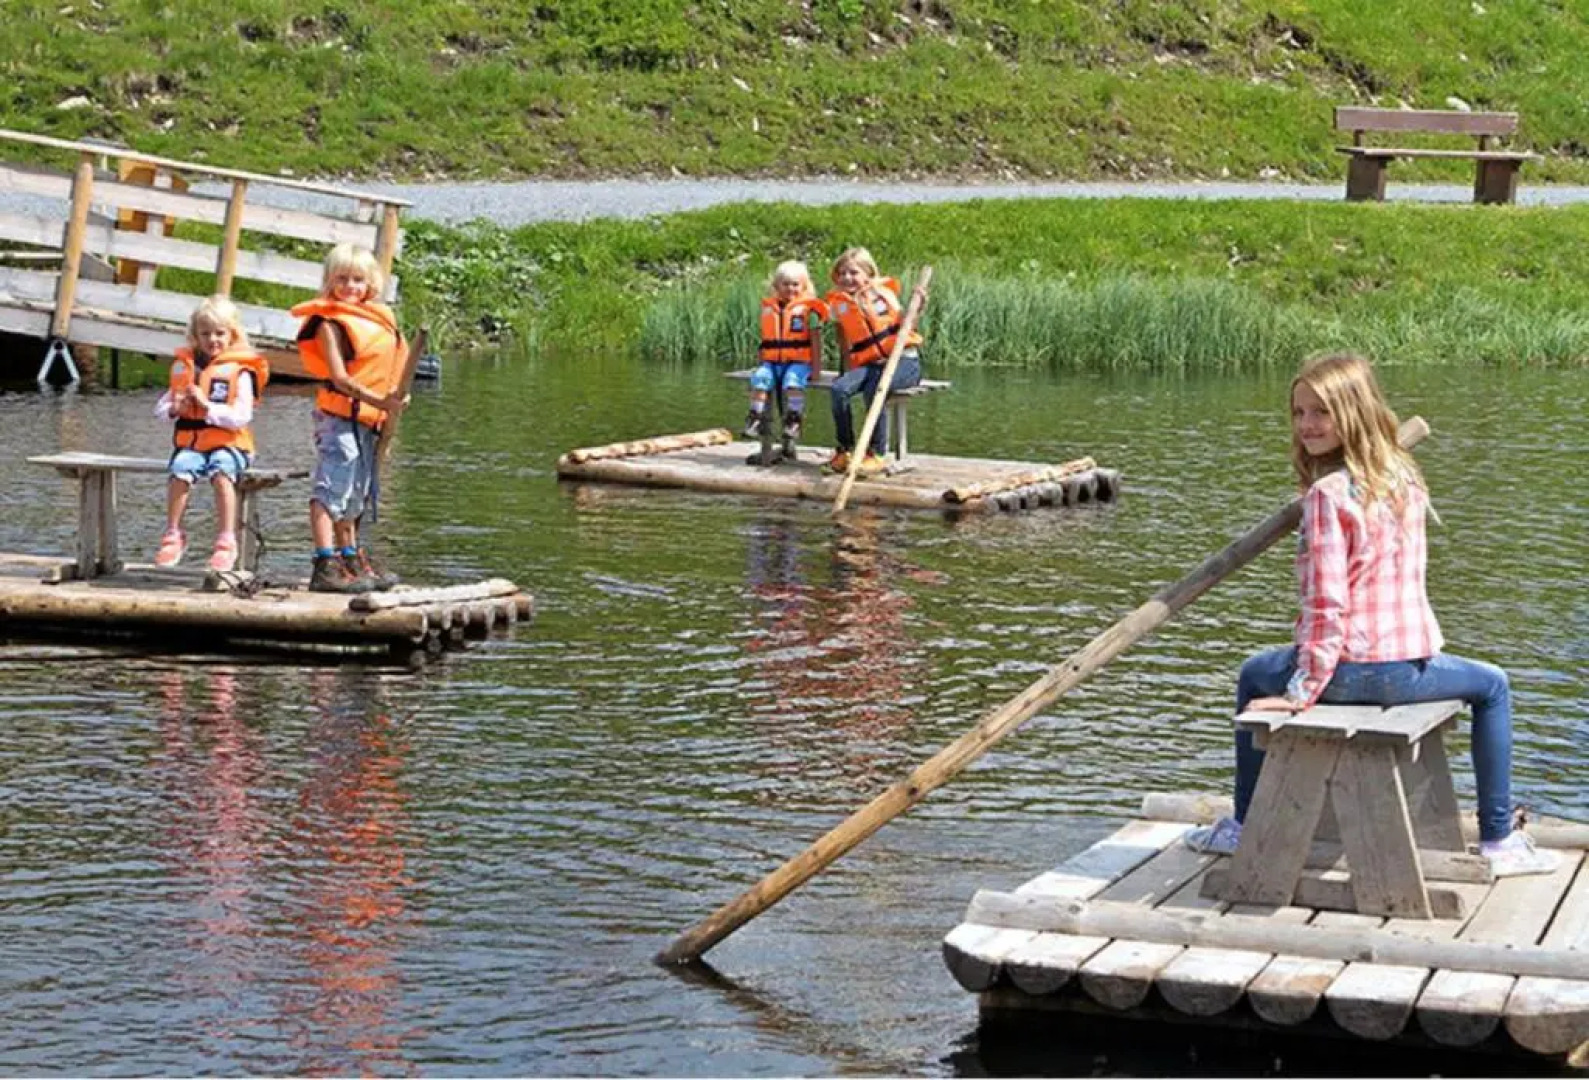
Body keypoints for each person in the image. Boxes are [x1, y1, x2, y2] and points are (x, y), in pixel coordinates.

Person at [1186, 352, 1558, 879]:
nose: (1307, 425)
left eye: (1322, 412)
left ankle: (1245, 827)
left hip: (1351, 671)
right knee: (1493, 686)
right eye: (1299, 413)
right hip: (1409, 669)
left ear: (1354, 412)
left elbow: (1326, 605)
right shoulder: (1404, 478)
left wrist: (1301, 692)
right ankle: (1498, 838)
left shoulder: (1327, 496)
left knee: (1252, 674)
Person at [292, 244, 409, 594]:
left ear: (370, 283)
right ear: (329, 281)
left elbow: (388, 372)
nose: (350, 287)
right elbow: (341, 378)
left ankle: (350, 556)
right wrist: (378, 400)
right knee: (333, 487)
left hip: (368, 420)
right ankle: (324, 562)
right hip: (339, 417)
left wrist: (394, 399)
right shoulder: (330, 323)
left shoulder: (378, 319)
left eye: (358, 279)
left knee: (358, 491)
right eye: (341, 278)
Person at [153, 296, 269, 572]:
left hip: (230, 445)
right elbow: (159, 409)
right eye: (205, 333)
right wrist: (175, 408)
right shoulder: (186, 369)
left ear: (232, 335)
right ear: (195, 336)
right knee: (181, 468)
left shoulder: (239, 373)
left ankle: (226, 539)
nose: (212, 340)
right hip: (193, 446)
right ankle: (173, 533)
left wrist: (207, 408)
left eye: (219, 333)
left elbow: (242, 416)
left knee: (220, 471)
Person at [823, 248, 925, 477]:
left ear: (868, 274)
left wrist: (918, 307)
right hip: (871, 364)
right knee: (839, 389)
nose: (847, 278)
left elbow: (908, 323)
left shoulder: (882, 295)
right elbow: (843, 339)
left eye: (853, 272)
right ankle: (844, 450)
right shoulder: (838, 304)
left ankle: (877, 454)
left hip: (903, 363)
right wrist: (847, 373)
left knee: (874, 389)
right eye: (842, 273)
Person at [744, 261, 828, 452]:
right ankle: (755, 418)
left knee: (792, 381)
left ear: (804, 286)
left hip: (799, 362)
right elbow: (765, 340)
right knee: (760, 379)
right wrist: (760, 362)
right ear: (776, 286)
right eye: (786, 284)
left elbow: (816, 341)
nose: (790, 288)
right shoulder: (769, 309)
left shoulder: (810, 311)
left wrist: (816, 369)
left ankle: (794, 420)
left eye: (795, 284)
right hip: (772, 362)